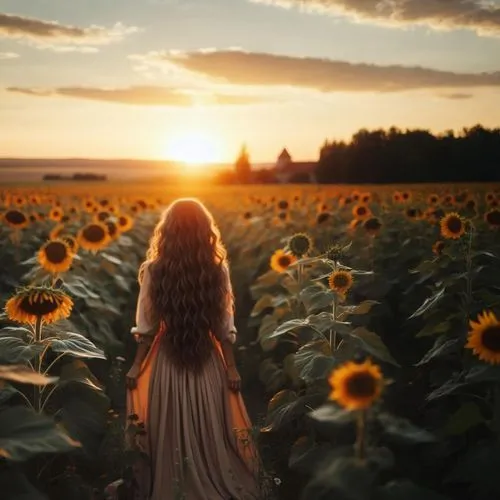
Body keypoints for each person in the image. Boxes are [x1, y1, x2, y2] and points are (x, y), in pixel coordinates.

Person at [125, 198, 259, 500]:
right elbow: (224, 326)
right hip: (206, 361)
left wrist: (136, 365)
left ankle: (173, 481)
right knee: (208, 429)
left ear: (167, 231)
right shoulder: (216, 270)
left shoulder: (153, 270)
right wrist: (231, 367)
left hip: (166, 362)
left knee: (168, 427)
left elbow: (146, 327)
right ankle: (210, 477)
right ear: (204, 230)